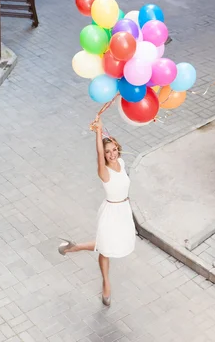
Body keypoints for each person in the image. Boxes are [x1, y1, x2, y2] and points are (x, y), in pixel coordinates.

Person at [58, 117, 136, 306]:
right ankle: (106, 283)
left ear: (118, 148)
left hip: (124, 210)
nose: (111, 154)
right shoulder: (104, 171)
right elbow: (99, 152)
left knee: (107, 244)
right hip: (111, 212)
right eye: (108, 152)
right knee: (105, 249)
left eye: (114, 150)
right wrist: (98, 132)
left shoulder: (122, 164)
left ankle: (74, 247)